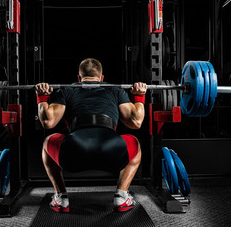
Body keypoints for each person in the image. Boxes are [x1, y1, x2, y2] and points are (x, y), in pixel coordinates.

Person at [35, 58, 147, 213]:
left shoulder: (66, 90)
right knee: (134, 143)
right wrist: (139, 96)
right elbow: (136, 121)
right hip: (111, 155)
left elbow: (48, 122)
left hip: (74, 155)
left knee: (48, 142)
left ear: (79, 78)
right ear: (101, 78)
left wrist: (42, 97)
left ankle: (61, 198)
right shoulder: (116, 90)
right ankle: (121, 196)